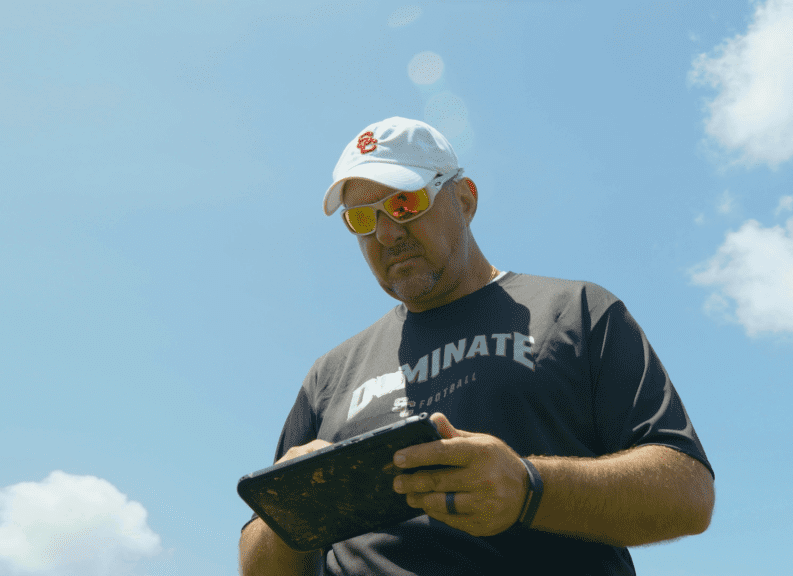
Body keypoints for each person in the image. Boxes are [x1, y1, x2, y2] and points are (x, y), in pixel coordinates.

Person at [238, 117, 715, 576]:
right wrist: (289, 517)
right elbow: (258, 564)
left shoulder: (576, 311)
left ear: (464, 199)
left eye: (405, 203)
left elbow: (688, 492)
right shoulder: (330, 374)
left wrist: (529, 488)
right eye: (363, 218)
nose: (386, 233)